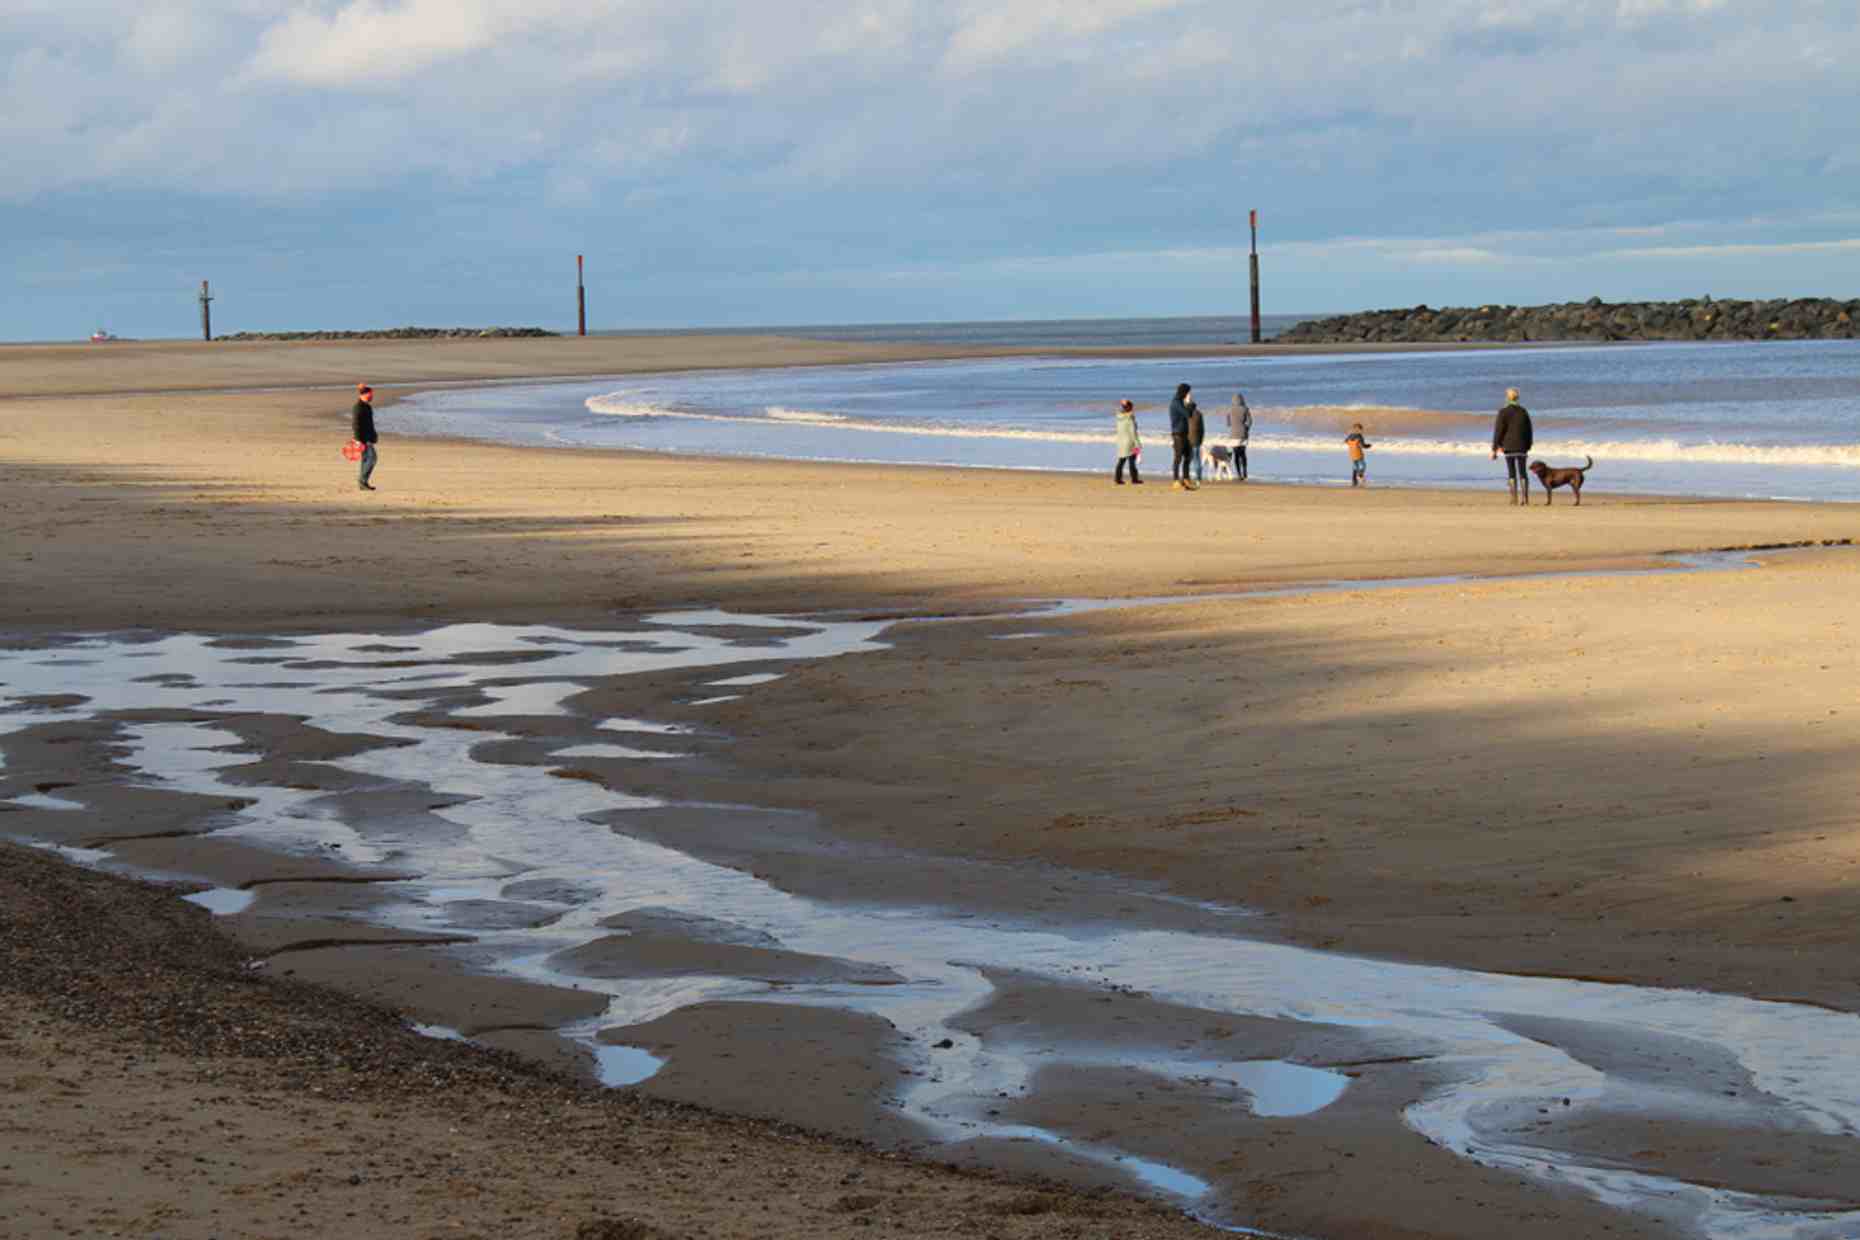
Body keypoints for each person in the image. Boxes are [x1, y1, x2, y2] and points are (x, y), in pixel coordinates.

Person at [1491, 387, 1534, 506]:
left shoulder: (1503, 412)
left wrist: (1495, 448)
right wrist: (1529, 445)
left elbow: (1498, 431)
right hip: (1522, 446)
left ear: (1507, 398)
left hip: (1508, 446)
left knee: (1511, 472)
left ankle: (1514, 499)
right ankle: (1525, 499)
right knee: (1523, 472)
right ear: (1517, 398)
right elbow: (1529, 430)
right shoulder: (1523, 411)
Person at [1167, 383, 1197, 490]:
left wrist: (1190, 404)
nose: (1189, 394)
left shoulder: (1179, 402)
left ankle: (1186, 479)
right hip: (1178, 434)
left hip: (1184, 433)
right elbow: (1188, 414)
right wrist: (1190, 403)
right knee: (1178, 458)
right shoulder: (1176, 403)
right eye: (1188, 392)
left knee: (1188, 457)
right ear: (1184, 392)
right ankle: (1176, 480)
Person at [352, 383, 379, 491]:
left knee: (366, 460)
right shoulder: (358, 408)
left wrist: (374, 436)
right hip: (363, 439)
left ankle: (363, 483)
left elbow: (370, 424)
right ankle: (362, 480)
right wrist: (358, 440)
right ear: (365, 394)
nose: (372, 396)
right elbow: (355, 425)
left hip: (369, 438)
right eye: (370, 394)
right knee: (372, 459)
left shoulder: (367, 407)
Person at [1113, 399, 1143, 484]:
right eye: (1131, 407)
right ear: (1129, 408)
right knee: (1132, 461)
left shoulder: (1119, 418)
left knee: (1121, 461)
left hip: (1121, 442)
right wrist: (1138, 444)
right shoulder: (1130, 419)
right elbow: (1133, 433)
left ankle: (1117, 478)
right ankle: (1134, 479)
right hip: (1130, 443)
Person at [1227, 392, 1252, 480]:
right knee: (1243, 454)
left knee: (1236, 455)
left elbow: (1228, 423)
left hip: (1233, 435)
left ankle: (1239, 474)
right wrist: (1246, 428)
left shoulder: (1230, 410)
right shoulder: (1245, 409)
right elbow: (1249, 422)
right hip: (1243, 434)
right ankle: (1245, 472)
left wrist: (1233, 426)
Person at [1186, 397, 1206, 483]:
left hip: (1187, 440)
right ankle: (1198, 477)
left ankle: (1187, 477)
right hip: (1197, 439)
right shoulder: (1199, 414)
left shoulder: (1185, 414)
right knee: (1197, 459)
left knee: (1187, 460)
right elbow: (1202, 429)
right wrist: (1201, 439)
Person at [1344, 422, 1371, 487]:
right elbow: (1362, 445)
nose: (1361, 431)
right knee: (1363, 465)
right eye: (1361, 429)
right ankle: (1360, 474)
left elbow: (1345, 441)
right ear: (1358, 429)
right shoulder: (1359, 436)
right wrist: (1368, 446)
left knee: (1355, 466)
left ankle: (1354, 480)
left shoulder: (1350, 436)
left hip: (1352, 453)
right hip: (1358, 453)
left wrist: (1351, 444)